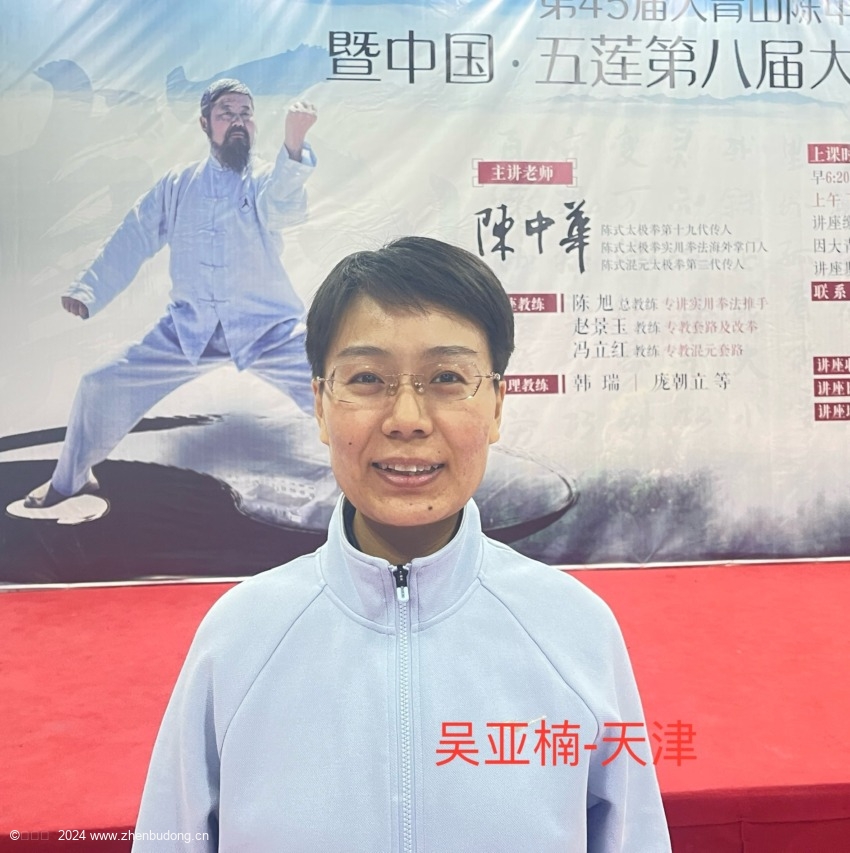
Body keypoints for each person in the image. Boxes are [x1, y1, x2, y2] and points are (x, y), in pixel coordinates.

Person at [131, 237, 672, 852]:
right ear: (320, 404)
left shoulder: (574, 631)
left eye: (447, 378)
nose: (407, 418)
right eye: (367, 378)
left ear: (497, 405)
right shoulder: (239, 638)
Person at [25, 78, 318, 508]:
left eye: (245, 114)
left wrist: (293, 145)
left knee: (337, 388)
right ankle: (70, 481)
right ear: (205, 124)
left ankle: (373, 481)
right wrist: (89, 289)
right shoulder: (178, 185)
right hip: (188, 329)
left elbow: (282, 207)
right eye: (227, 114)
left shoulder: (261, 179)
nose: (238, 121)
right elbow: (135, 234)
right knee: (100, 384)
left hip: (267, 328)